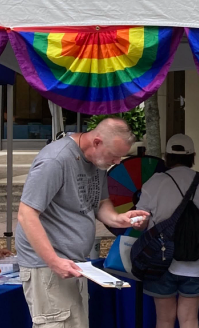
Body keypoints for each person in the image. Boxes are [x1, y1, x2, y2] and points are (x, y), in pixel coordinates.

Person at [15, 118, 149, 328]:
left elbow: (100, 201)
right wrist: (53, 261)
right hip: (48, 266)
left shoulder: (98, 162)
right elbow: (26, 214)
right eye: (114, 155)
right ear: (96, 142)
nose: (117, 162)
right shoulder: (55, 160)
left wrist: (118, 219)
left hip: (75, 264)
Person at [135, 134, 199, 328]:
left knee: (164, 319)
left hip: (161, 260)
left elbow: (141, 223)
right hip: (198, 261)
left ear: (167, 156)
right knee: (190, 318)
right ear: (192, 156)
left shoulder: (154, 183)